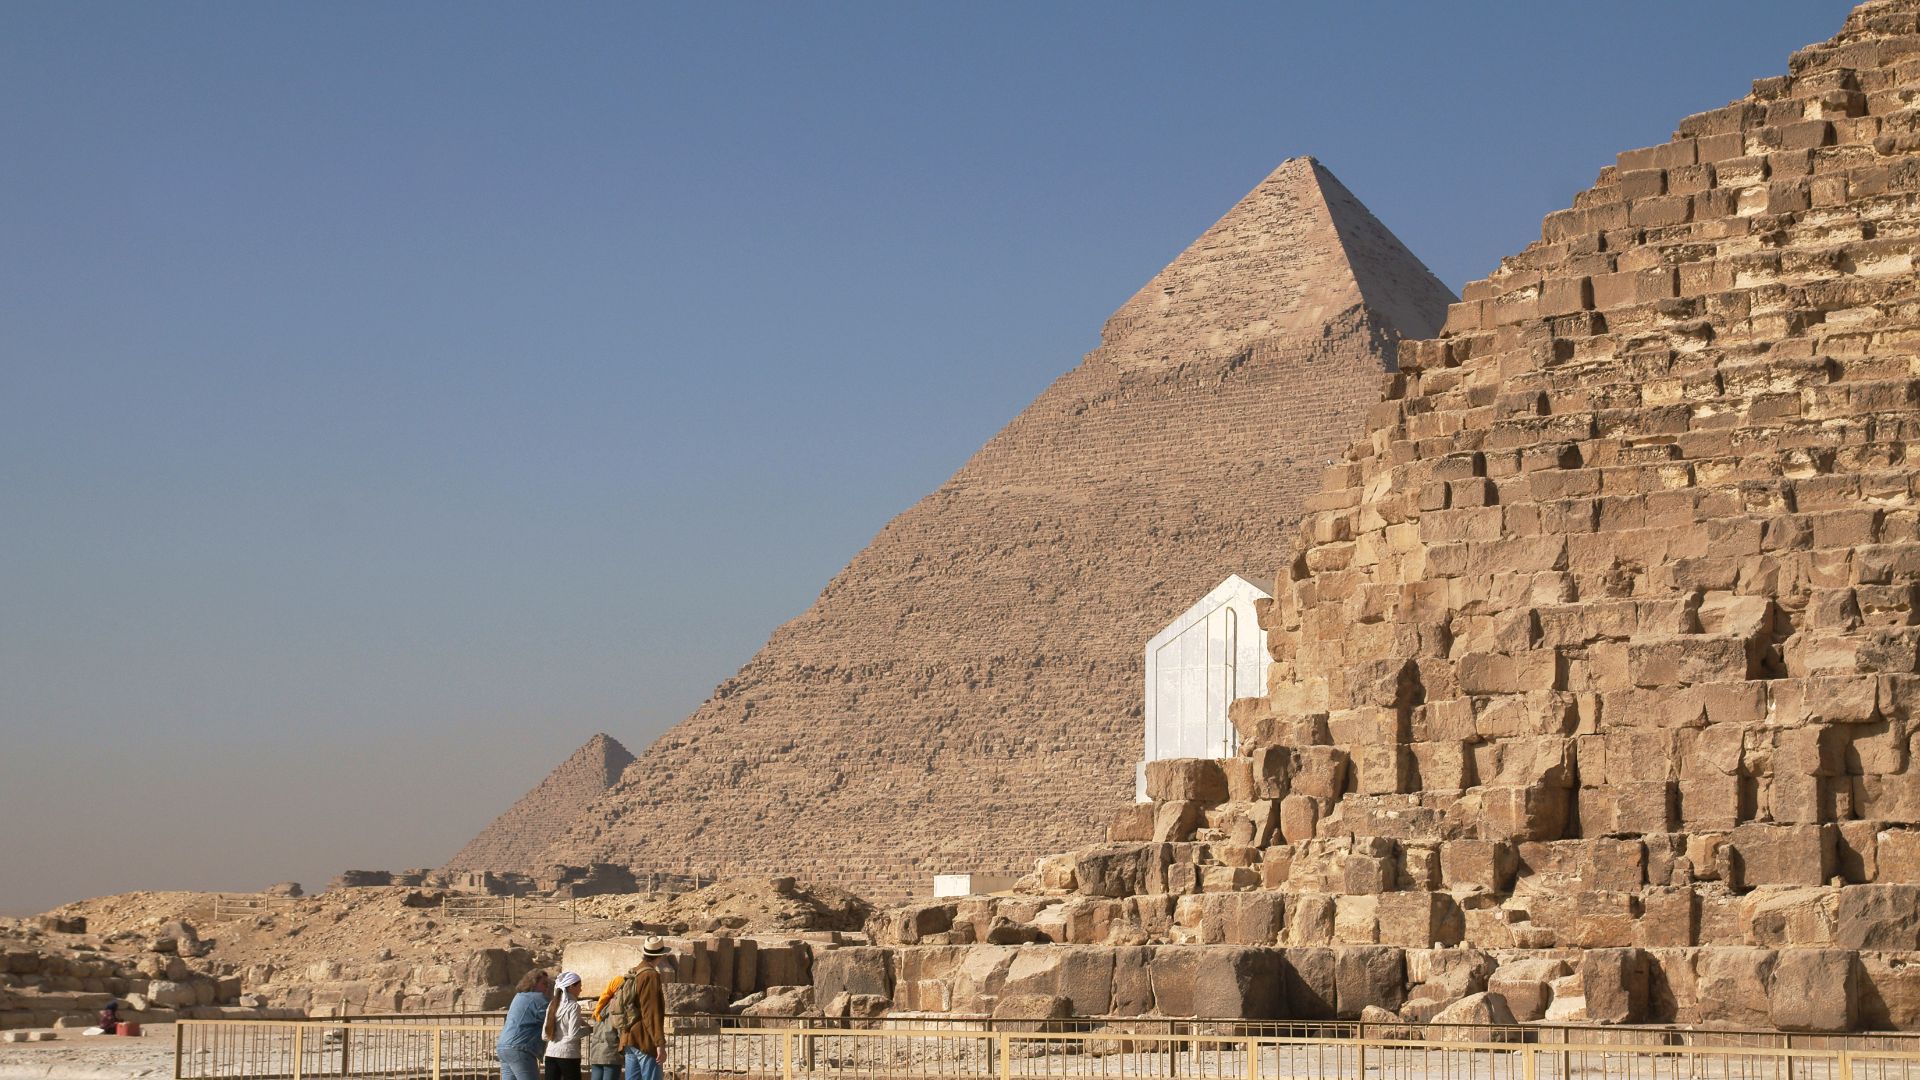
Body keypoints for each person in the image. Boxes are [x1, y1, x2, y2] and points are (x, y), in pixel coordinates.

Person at [616, 937, 674, 1080]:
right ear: (660, 956)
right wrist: (659, 1043)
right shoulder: (650, 975)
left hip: (629, 1037)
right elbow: (651, 1012)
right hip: (645, 1040)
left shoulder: (635, 971)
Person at [497, 969, 554, 1080]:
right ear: (533, 983)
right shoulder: (539, 998)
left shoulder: (518, 997)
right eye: (544, 984)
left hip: (503, 1046)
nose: (547, 987)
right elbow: (553, 1018)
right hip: (520, 1047)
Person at [542, 971, 589, 1080]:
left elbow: (544, 1035)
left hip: (550, 1054)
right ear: (572, 986)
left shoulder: (552, 1005)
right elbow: (574, 1034)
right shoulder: (574, 1006)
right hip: (568, 1055)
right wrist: (590, 1029)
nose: (580, 990)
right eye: (579, 986)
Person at [585, 973, 629, 1080]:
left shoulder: (600, 1006)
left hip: (596, 1054)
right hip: (611, 1053)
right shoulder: (617, 1006)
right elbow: (620, 1029)